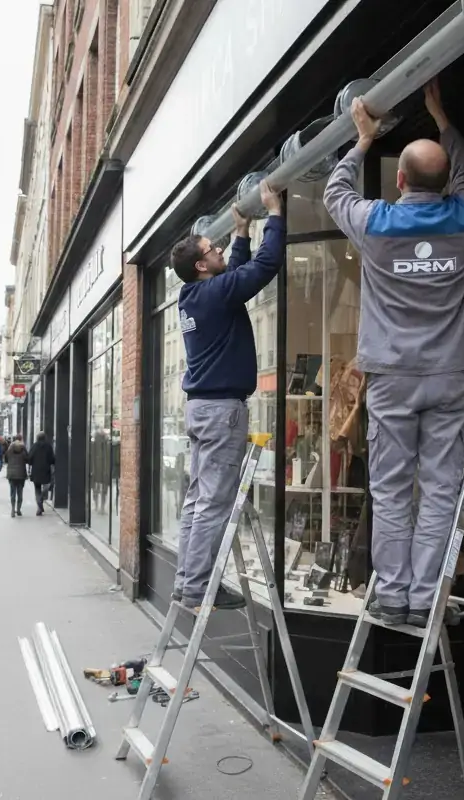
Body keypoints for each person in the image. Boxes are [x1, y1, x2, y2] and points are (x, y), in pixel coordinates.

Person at [323, 79, 464, 627]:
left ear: (399, 179)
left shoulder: (376, 223)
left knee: (391, 488)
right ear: (446, 182)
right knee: (440, 489)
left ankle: (393, 596)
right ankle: (425, 599)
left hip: (392, 376)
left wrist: (363, 139)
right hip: (450, 375)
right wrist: (442, 118)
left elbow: (335, 193)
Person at [168, 179, 283, 611]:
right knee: (213, 504)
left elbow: (231, 276)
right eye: (211, 248)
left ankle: (186, 582)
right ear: (201, 265)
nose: (218, 249)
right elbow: (264, 266)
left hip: (201, 409)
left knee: (198, 501)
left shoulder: (192, 295)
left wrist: (240, 234)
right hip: (220, 412)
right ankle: (199, 589)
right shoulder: (214, 293)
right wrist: (274, 214)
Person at [27, 431, 55, 516]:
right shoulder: (48, 446)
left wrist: (31, 463)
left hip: (36, 470)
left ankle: (39, 504)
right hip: (46, 470)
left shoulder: (34, 446)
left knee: (37, 488)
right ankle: (42, 499)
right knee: (47, 486)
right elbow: (52, 459)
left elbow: (29, 458)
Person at [4, 435, 29, 517]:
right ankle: (18, 509)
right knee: (20, 492)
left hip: (11, 474)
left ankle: (12, 509)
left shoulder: (10, 449)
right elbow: (27, 459)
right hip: (21, 474)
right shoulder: (23, 449)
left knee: (12, 492)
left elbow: (5, 459)